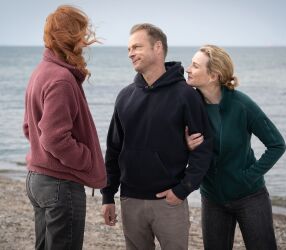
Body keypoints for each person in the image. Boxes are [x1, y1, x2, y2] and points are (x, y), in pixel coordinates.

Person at [101, 23, 213, 250]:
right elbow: (113, 149)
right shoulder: (125, 96)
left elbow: (204, 147)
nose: (131, 53)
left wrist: (183, 189)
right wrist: (107, 196)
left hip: (169, 202)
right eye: (129, 49)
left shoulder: (186, 95)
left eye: (137, 47)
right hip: (130, 200)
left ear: (158, 47)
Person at [185, 44, 286, 250]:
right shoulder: (191, 106)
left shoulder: (242, 105)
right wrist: (185, 146)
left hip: (250, 197)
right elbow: (175, 147)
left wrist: (247, 177)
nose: (188, 69)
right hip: (212, 199)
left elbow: (277, 145)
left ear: (214, 75)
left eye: (195, 66)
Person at [23, 5, 107, 250]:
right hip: (59, 184)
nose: (85, 38)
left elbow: (29, 127)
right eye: (81, 32)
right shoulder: (61, 78)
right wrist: (86, 159)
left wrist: (41, 151)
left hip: (37, 179)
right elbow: (53, 137)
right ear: (70, 36)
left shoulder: (41, 72)